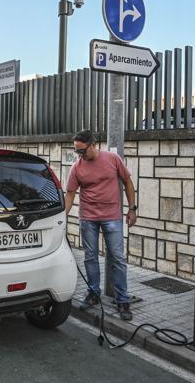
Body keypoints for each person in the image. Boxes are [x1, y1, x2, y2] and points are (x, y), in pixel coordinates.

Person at [65, 130, 137, 321]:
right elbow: (70, 193)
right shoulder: (77, 167)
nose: (80, 155)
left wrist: (132, 208)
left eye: (82, 150)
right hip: (88, 218)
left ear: (93, 144)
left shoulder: (112, 159)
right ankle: (93, 294)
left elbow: (128, 182)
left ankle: (122, 300)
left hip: (112, 216)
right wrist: (63, 216)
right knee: (90, 257)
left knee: (117, 258)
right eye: (77, 151)